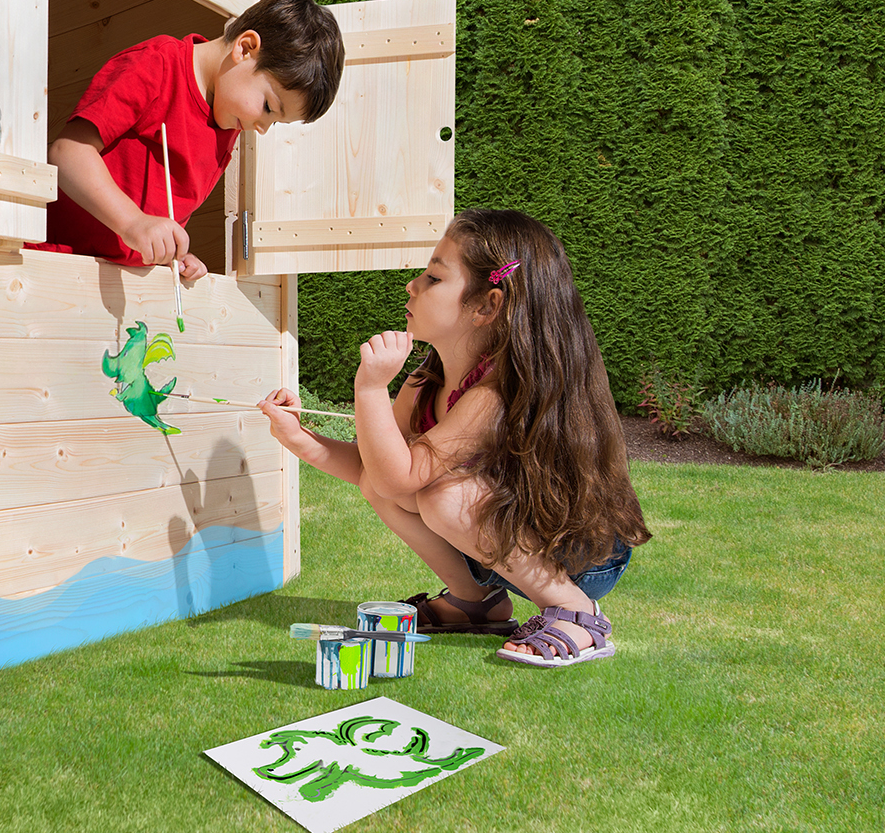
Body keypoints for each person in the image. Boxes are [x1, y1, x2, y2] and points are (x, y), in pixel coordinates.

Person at [258, 208, 650, 667]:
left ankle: (578, 615)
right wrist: (302, 439)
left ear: (487, 306)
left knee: (440, 495)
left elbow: (403, 477)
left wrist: (369, 388)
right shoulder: (428, 379)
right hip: (504, 547)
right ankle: (477, 602)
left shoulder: (496, 393)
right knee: (388, 485)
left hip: (578, 553)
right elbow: (378, 473)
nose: (412, 286)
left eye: (433, 278)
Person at [37, 0, 346, 279]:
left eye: (277, 123)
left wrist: (173, 253)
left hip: (112, 283)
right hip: (51, 261)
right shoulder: (158, 66)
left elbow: (158, 215)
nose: (263, 129)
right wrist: (133, 222)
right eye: (268, 107)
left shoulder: (227, 120)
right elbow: (68, 153)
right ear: (245, 48)